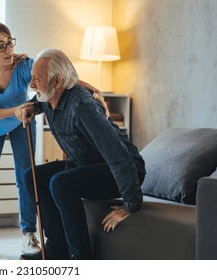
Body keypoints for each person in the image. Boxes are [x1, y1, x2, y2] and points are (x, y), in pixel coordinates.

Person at [0, 22, 105, 258]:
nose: (8, 50)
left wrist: (92, 88)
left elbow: (58, 75)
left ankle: (28, 233)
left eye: (10, 42)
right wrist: (15, 109)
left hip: (23, 122)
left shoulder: (23, 65)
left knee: (25, 177)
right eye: (0, 46)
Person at [16, 48, 146, 260]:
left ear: (57, 81)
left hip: (116, 169)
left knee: (61, 183)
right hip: (86, 164)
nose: (32, 85)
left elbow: (117, 155)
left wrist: (131, 204)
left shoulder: (83, 107)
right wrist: (31, 107)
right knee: (31, 176)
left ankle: (82, 258)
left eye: (36, 79)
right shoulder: (50, 96)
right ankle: (57, 249)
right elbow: (38, 99)